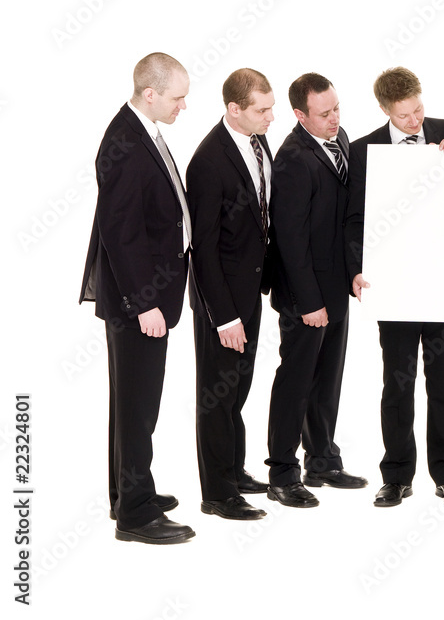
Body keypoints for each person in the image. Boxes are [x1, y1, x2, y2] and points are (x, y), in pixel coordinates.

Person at [79, 52, 196, 544]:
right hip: (140, 300)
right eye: (177, 97)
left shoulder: (139, 128)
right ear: (151, 94)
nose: (183, 106)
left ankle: (124, 492)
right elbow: (120, 231)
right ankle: (137, 514)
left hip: (145, 294)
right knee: (138, 406)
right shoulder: (127, 141)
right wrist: (145, 302)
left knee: (130, 402)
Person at [346, 66, 444, 508]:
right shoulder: (364, 150)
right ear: (384, 111)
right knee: (397, 385)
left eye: (418, 109)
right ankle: (397, 475)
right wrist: (354, 271)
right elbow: (354, 220)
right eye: (404, 116)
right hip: (394, 284)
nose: (415, 121)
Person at [265, 72, 367, 508]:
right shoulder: (292, 159)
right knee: (296, 382)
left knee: (327, 380)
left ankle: (322, 460)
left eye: (337, 109)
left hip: (336, 289)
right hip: (305, 296)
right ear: (300, 115)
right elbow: (289, 239)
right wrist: (310, 303)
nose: (334, 119)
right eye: (323, 114)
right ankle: (283, 473)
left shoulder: (340, 138)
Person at [186, 68, 277, 521]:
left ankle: (235, 471)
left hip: (250, 292)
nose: (271, 116)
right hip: (219, 302)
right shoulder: (208, 162)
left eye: (272, 106)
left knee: (237, 390)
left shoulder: (258, 140)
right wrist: (223, 317)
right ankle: (218, 494)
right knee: (216, 396)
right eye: (262, 110)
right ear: (233, 109)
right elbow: (201, 250)